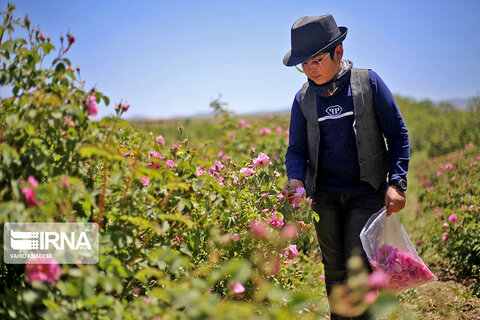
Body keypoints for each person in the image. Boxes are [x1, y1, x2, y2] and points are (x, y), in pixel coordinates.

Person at [282, 15, 410, 320]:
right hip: (324, 196)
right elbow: (296, 149)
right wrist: (296, 179)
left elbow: (397, 134)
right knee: (335, 267)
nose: (310, 69)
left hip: (365, 192)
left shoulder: (368, 84)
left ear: (338, 53)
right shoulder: (303, 99)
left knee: (358, 265)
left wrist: (397, 182)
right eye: (303, 64)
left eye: (315, 60)